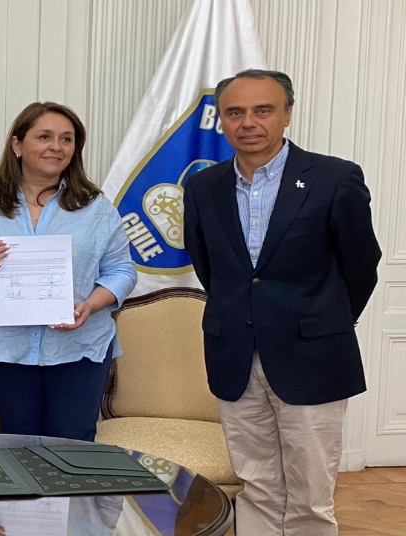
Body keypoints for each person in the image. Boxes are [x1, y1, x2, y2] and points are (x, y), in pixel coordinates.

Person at [183, 69, 382, 535]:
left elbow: (361, 265)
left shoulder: (335, 178)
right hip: (234, 352)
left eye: (263, 110)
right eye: (235, 112)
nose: (248, 122)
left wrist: (321, 320)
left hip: (312, 354)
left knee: (311, 494)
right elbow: (212, 268)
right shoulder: (203, 187)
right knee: (257, 486)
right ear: (222, 121)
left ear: (287, 114)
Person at [0, 102, 136, 441]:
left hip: (80, 347)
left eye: (67, 139)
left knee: (72, 444)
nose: (57, 147)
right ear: (17, 145)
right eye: (45, 137)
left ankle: (72, 499)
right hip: (7, 350)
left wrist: (90, 305)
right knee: (19, 442)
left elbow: (122, 271)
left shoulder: (97, 208)